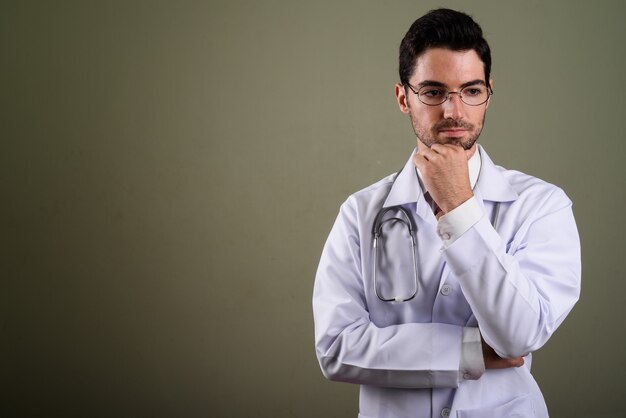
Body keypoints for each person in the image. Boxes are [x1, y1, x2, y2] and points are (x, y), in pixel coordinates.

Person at [312, 8, 581, 418]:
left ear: (489, 91)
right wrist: (468, 352)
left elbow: (518, 336)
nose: (454, 111)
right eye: (434, 92)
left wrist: (459, 207)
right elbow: (336, 347)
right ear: (404, 98)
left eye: (471, 91)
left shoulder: (541, 205)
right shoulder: (360, 213)